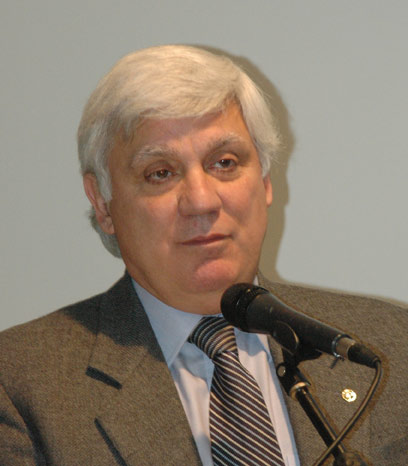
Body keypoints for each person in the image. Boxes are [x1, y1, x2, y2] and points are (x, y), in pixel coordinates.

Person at [0, 45, 406, 466]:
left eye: (224, 163)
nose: (201, 201)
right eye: (160, 173)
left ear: (265, 181)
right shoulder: (19, 385)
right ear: (103, 203)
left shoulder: (390, 345)